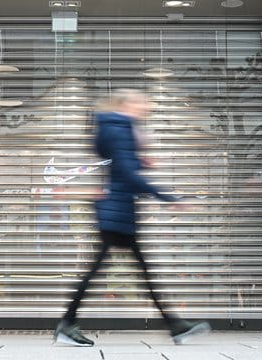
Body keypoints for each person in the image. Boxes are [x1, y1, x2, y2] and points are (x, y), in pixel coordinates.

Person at [54, 89, 211, 347]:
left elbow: (120, 165)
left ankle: (174, 325)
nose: (146, 105)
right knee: (104, 270)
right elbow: (125, 173)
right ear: (127, 104)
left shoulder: (118, 127)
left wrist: (140, 163)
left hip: (118, 210)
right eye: (141, 101)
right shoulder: (120, 127)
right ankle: (67, 323)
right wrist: (167, 197)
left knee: (137, 270)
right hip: (116, 212)